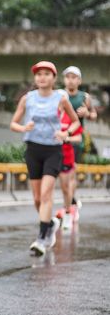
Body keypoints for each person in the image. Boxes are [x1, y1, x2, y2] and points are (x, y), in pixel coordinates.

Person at [10, 61, 79, 256]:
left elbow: (75, 122)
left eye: (47, 74)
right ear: (35, 78)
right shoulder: (28, 98)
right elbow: (13, 123)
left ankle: (41, 239)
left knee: (46, 194)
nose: (42, 77)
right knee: (37, 199)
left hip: (53, 151)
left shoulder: (61, 98)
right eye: (39, 74)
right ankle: (49, 225)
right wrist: (23, 128)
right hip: (33, 150)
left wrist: (66, 133)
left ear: (54, 78)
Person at [62, 65, 97, 219]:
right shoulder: (59, 95)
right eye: (68, 77)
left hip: (76, 140)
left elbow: (94, 115)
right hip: (59, 139)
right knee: (62, 176)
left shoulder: (84, 97)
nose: (70, 80)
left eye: (74, 77)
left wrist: (87, 113)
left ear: (79, 80)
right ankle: (71, 200)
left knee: (71, 173)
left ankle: (70, 205)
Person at [57, 109, 83, 231]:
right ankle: (69, 206)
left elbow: (79, 137)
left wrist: (66, 138)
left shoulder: (70, 115)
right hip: (51, 154)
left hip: (68, 153)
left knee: (67, 185)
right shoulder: (50, 112)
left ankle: (70, 209)